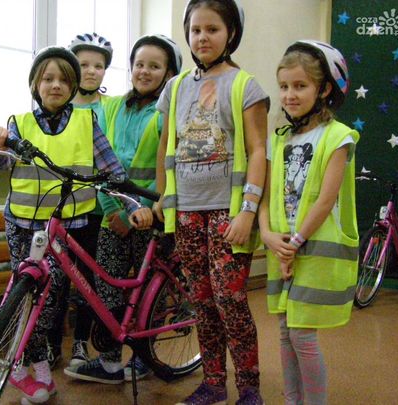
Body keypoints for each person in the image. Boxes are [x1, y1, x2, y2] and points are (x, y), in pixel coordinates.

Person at [0, 45, 153, 404]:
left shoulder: (85, 121)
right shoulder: (19, 123)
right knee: (24, 296)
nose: (56, 85)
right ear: (35, 84)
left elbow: (112, 169)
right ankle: (25, 369)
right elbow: (0, 163)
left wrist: (132, 201)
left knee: (48, 301)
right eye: (47, 79)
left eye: (64, 80)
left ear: (73, 86)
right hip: (22, 223)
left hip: (65, 225)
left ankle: (38, 371)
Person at [153, 1, 268, 404]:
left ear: (231, 33)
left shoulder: (245, 86)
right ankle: (214, 383)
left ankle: (249, 388)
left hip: (228, 211)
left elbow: (258, 150)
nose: (202, 37)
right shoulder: (175, 87)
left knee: (230, 301)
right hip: (186, 211)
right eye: (195, 30)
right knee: (200, 302)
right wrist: (162, 197)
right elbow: (166, 146)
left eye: (212, 29)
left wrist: (248, 211)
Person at [64, 34, 183, 385]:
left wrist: (141, 212)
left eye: (154, 66)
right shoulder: (111, 107)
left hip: (150, 217)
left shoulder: (168, 114)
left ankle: (145, 357)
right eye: (139, 64)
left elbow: (168, 169)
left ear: (169, 73)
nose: (144, 71)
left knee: (147, 292)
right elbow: (99, 160)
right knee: (108, 288)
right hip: (112, 214)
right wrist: (113, 211)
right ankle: (110, 359)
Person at [258, 40, 359, 405]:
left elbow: (325, 199)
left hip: (313, 249)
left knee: (302, 334)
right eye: (284, 86)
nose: (289, 94)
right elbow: (268, 195)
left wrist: (295, 243)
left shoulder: (338, 137)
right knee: (286, 331)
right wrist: (268, 235)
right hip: (283, 247)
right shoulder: (280, 138)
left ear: (325, 89)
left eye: (300, 86)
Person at [45, 32, 115, 372]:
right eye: (83, 64)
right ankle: (50, 342)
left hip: (96, 210)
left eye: (98, 66)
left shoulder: (111, 107)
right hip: (60, 208)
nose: (90, 71)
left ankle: (81, 344)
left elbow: (112, 157)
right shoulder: (58, 105)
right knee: (55, 280)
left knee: (88, 281)